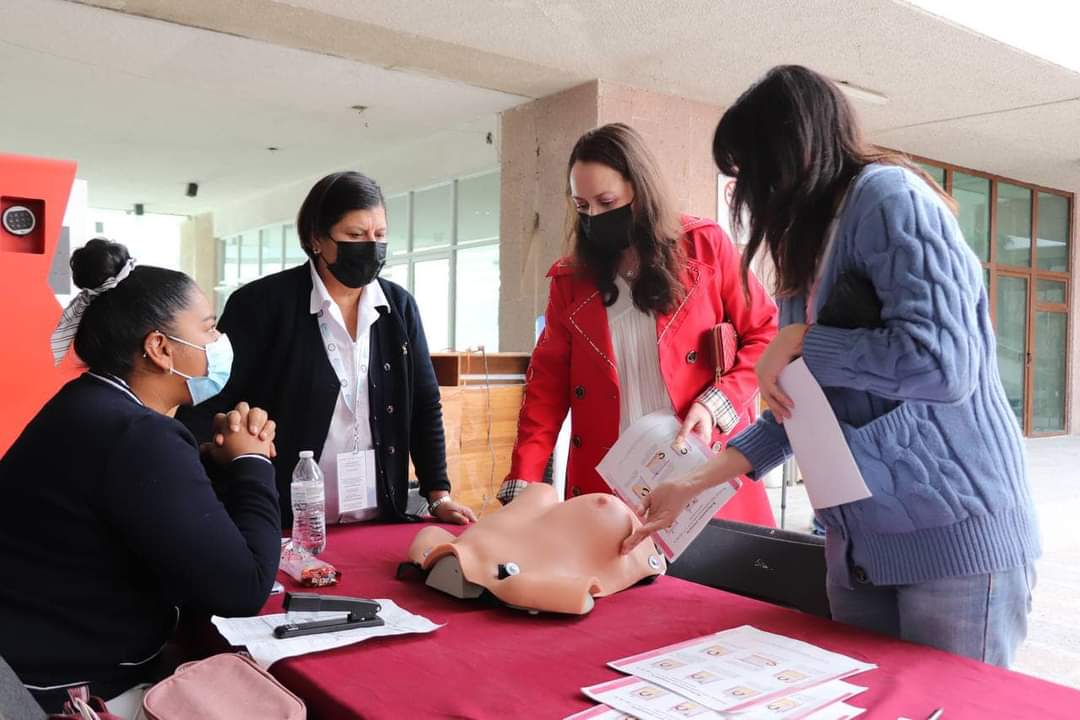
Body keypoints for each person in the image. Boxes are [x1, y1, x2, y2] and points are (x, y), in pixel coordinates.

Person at [624, 66, 1040, 668]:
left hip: (955, 545)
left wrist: (803, 340)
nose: (742, 193)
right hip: (859, 550)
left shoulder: (890, 199)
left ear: (791, 152)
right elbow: (799, 410)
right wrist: (687, 486)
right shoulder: (808, 243)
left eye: (747, 171)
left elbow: (943, 364)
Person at [0, 239, 281, 712]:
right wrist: (252, 462)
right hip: (64, 687)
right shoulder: (136, 433)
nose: (220, 344)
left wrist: (210, 461)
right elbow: (242, 589)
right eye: (210, 330)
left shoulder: (90, 402)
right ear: (159, 348)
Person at [500, 123, 778, 526]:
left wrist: (716, 403)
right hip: (610, 480)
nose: (594, 216)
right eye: (582, 207)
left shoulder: (705, 245)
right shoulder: (570, 280)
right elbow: (545, 387)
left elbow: (768, 332)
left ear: (641, 190)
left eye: (606, 201)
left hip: (702, 462)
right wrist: (521, 489)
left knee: (712, 586)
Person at [179, 171, 475, 526]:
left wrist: (438, 493)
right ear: (316, 238)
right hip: (282, 516)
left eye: (379, 235)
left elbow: (424, 404)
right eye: (354, 235)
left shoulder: (399, 307)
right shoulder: (260, 304)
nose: (371, 245)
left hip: (378, 514)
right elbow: (212, 399)